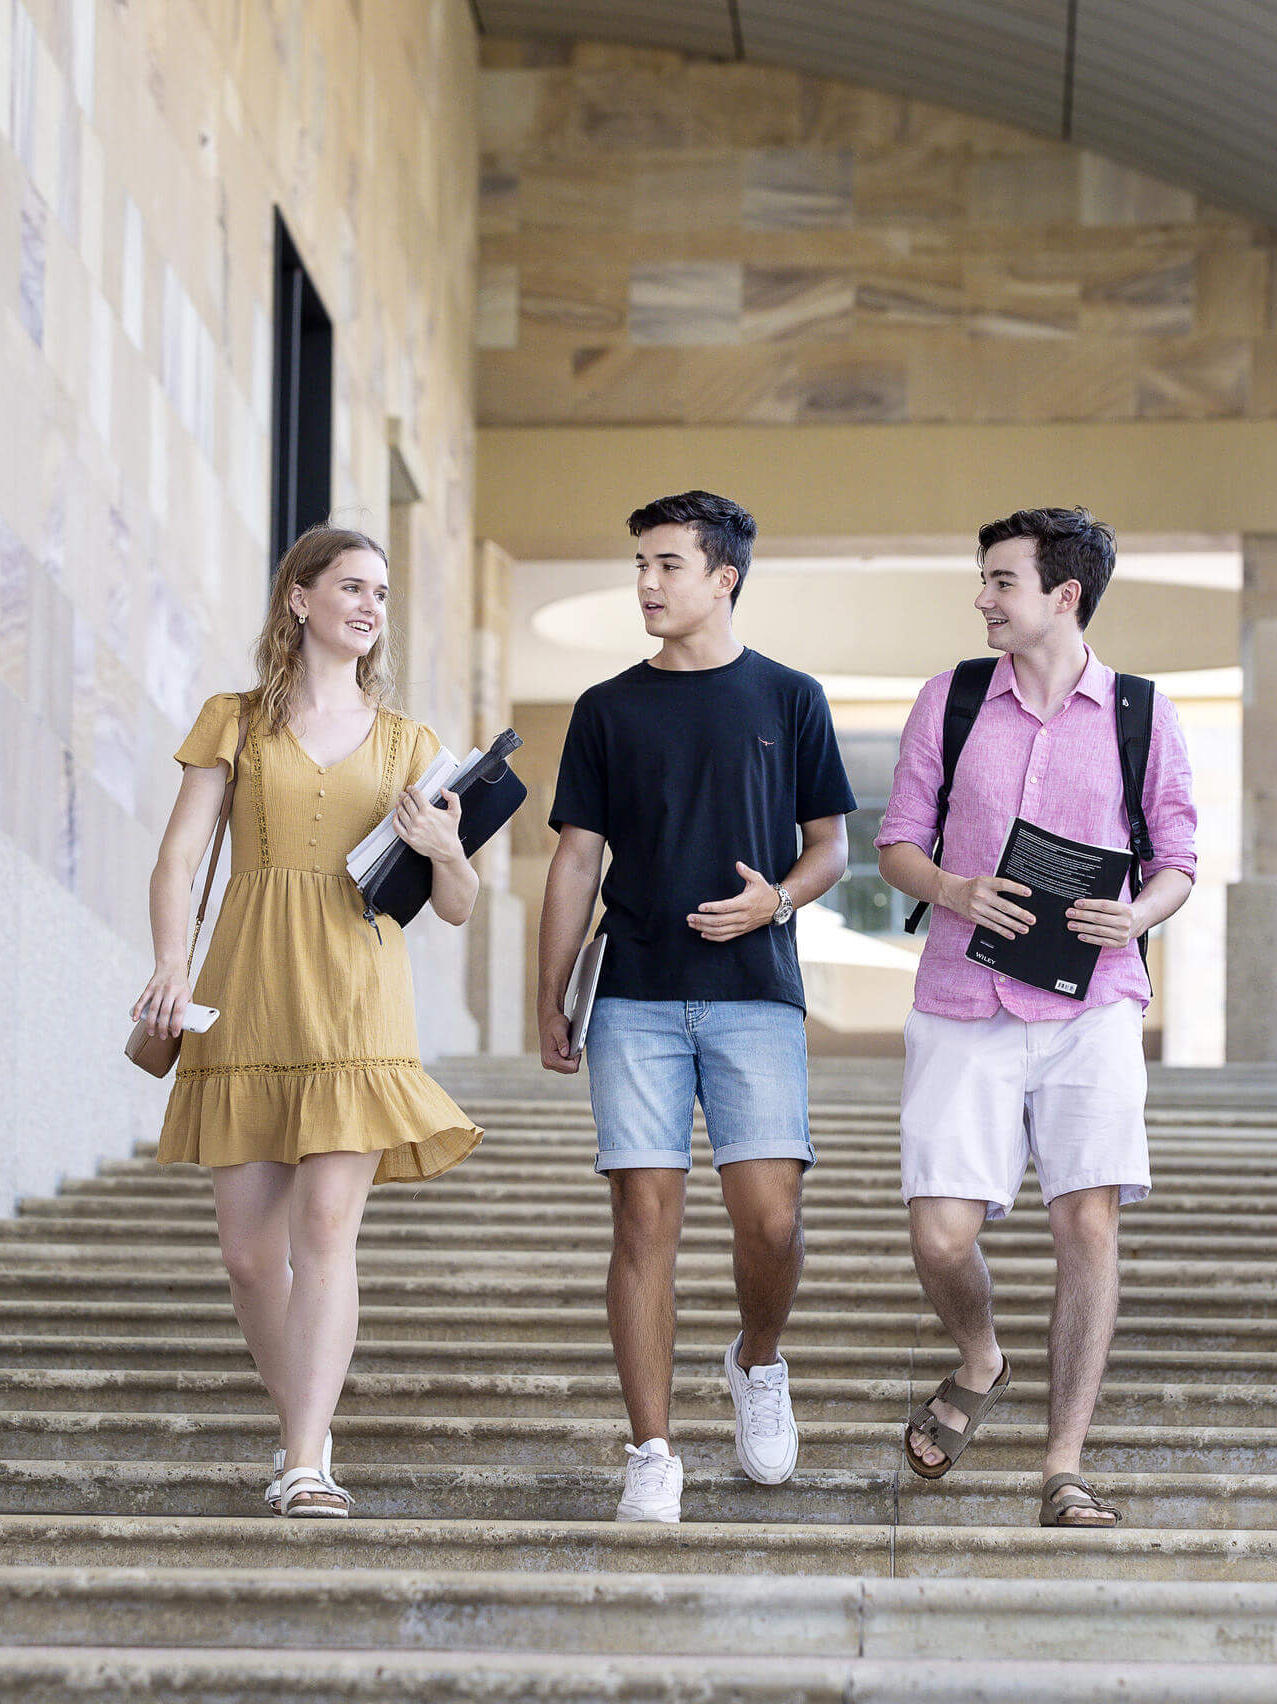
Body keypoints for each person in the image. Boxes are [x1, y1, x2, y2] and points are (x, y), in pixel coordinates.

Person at [131, 523, 482, 1518]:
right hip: (246, 991)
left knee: (325, 1228)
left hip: (358, 1000)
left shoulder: (413, 744)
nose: (371, 607)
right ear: (299, 599)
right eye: (351, 587)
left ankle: (303, 1461)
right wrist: (167, 964)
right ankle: (307, 1427)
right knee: (249, 1255)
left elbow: (452, 905)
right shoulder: (233, 720)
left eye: (380, 593)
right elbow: (178, 860)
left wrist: (444, 848)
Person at [538, 490, 855, 1523]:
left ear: (723, 577)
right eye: (638, 563)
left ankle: (756, 1360)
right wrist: (551, 995)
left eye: (666, 565)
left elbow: (830, 848)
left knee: (769, 1219)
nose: (644, 583)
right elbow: (575, 856)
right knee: (642, 1220)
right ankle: (652, 1450)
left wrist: (780, 898)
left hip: (754, 997)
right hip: (631, 997)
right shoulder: (604, 709)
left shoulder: (789, 699)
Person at [876, 506, 1196, 1528]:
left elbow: (1177, 856)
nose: (981, 597)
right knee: (937, 1233)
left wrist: (1136, 913)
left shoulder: (1141, 712)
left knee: (1084, 1223)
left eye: (999, 581)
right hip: (962, 996)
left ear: (1062, 595)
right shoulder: (949, 699)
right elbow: (895, 847)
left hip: (1092, 1003)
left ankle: (1061, 1467)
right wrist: (956, 889)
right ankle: (979, 1355)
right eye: (983, 579)